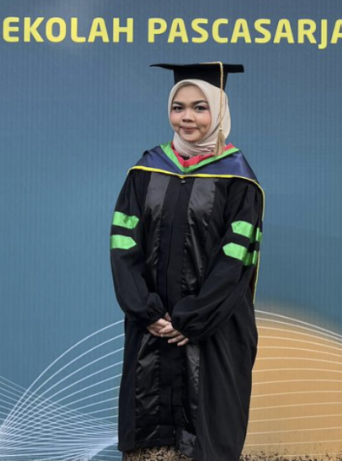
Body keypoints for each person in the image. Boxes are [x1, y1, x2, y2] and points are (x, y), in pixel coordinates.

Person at [110, 62, 264, 461]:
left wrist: (192, 318)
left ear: (219, 110)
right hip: (153, 326)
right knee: (150, 432)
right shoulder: (145, 170)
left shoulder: (239, 179)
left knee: (207, 436)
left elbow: (236, 259)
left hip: (213, 327)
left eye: (200, 107)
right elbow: (124, 245)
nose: (187, 117)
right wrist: (146, 311)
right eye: (178, 107)